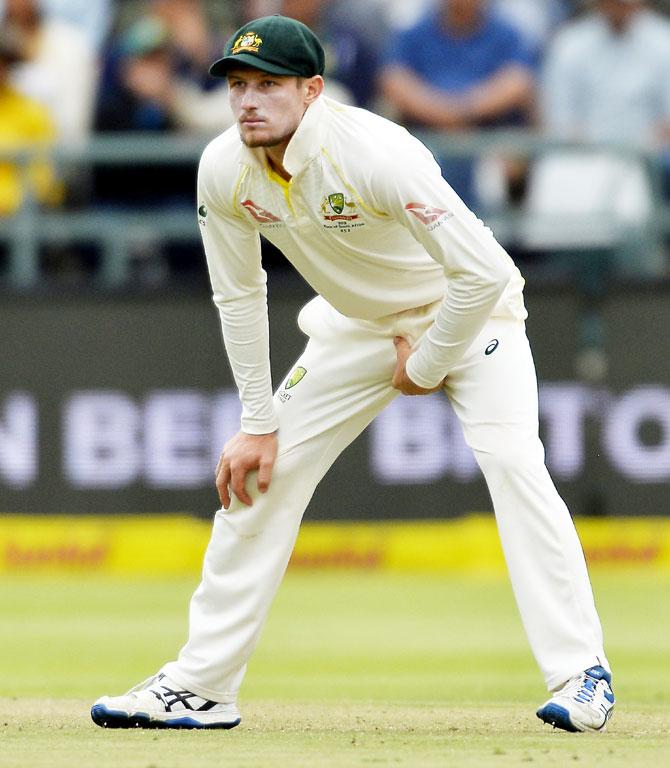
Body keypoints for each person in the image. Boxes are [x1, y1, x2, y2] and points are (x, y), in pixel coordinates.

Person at [91, 15, 615, 734]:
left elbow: (485, 272)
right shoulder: (223, 166)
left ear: (312, 90)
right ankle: (201, 686)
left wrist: (427, 364)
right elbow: (239, 295)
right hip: (356, 325)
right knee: (257, 478)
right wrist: (257, 424)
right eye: (238, 85)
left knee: (513, 461)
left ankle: (582, 673)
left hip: (469, 314)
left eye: (267, 85)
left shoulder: (375, 153)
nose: (247, 101)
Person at [379, 0, 534, 209]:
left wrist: (465, 111)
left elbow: (518, 80)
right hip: (425, 138)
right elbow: (393, 80)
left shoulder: (506, 33)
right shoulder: (415, 33)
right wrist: (444, 115)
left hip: (488, 137)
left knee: (509, 163)